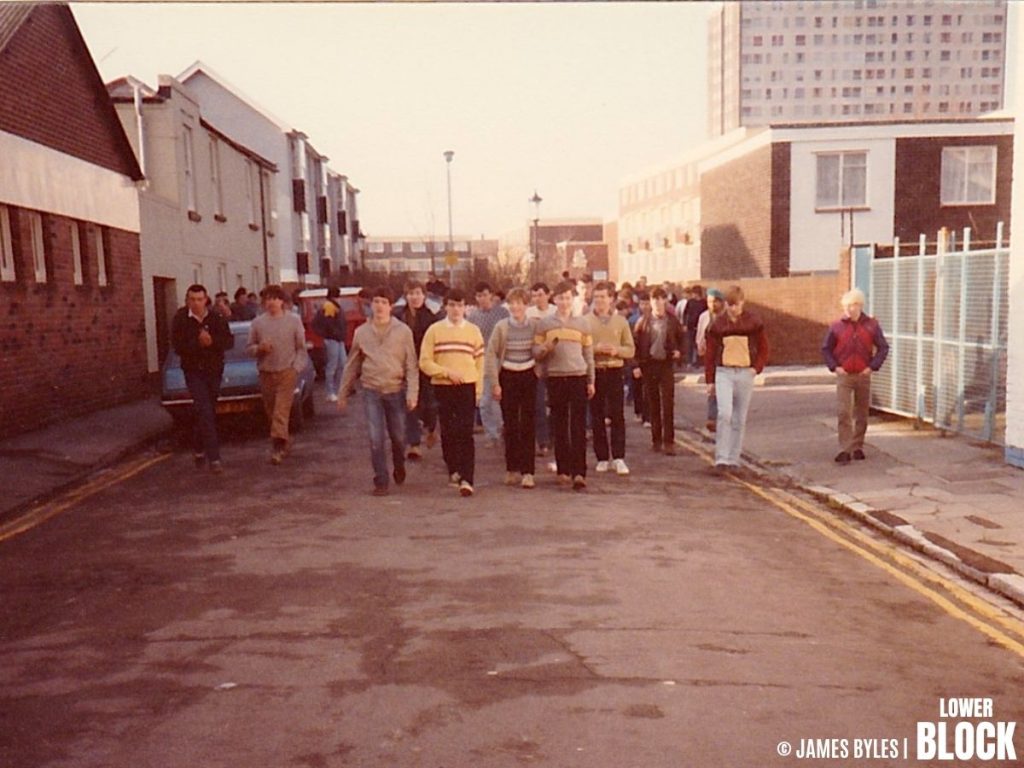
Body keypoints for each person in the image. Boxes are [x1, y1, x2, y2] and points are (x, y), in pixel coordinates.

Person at [337, 287, 419, 496]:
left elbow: (411, 365)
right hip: (372, 390)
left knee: (398, 436)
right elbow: (352, 364)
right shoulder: (362, 332)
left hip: (396, 389)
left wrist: (412, 393)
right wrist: (343, 393)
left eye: (384, 302)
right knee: (375, 438)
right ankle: (380, 480)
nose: (379, 306)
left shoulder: (403, 332)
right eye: (376, 302)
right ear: (370, 305)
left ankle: (399, 464)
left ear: (391, 306)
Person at [420, 289, 485, 497]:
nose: (456, 309)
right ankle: (453, 468)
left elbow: (480, 363)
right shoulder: (434, 330)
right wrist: (445, 372)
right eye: (452, 305)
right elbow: (425, 362)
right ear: (445, 306)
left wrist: (478, 390)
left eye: (460, 305)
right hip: (443, 386)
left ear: (465, 307)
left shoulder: (473, 331)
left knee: (465, 432)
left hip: (467, 386)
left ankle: (468, 479)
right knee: (448, 431)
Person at [534, 280, 595, 491]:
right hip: (556, 377)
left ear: (572, 299)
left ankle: (579, 472)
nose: (564, 302)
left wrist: (591, 380)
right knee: (559, 425)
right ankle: (563, 470)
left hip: (578, 376)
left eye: (568, 298)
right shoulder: (544, 324)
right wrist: (545, 348)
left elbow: (588, 354)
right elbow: (536, 353)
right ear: (555, 299)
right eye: (560, 298)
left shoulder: (583, 323)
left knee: (578, 426)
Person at [822, 288, 889, 465]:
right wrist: (835, 367)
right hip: (844, 374)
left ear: (859, 305)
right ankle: (845, 448)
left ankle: (857, 445)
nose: (848, 309)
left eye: (852, 305)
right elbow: (826, 348)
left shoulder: (871, 325)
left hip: (863, 374)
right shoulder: (836, 326)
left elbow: (883, 347)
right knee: (843, 411)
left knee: (862, 412)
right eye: (846, 306)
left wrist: (872, 367)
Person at [171, 284, 234, 474]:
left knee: (207, 411)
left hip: (213, 371)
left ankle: (199, 447)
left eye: (199, 299)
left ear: (206, 300)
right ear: (187, 300)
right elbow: (177, 346)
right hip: (193, 371)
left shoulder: (216, 318)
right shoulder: (181, 319)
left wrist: (212, 341)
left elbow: (229, 342)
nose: (196, 303)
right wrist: (197, 343)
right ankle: (214, 459)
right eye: (192, 299)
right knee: (205, 409)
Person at [705, 286, 769, 471]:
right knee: (724, 413)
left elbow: (764, 347)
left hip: (744, 373)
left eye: (736, 304)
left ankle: (733, 459)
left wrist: (756, 369)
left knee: (739, 418)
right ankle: (721, 458)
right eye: (730, 304)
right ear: (726, 304)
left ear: (742, 303)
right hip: (724, 372)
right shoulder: (717, 325)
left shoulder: (754, 322)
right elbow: (710, 354)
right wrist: (710, 380)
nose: (733, 308)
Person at [246, 284, 309, 465]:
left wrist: (295, 368)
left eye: (275, 299)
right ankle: (283, 441)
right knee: (272, 411)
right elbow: (249, 348)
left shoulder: (294, 320)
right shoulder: (258, 323)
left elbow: (301, 348)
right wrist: (259, 349)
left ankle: (277, 447)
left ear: (282, 301)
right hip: (266, 372)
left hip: (286, 371)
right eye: (268, 299)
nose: (271, 302)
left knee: (281, 410)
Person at [485, 288, 538, 489]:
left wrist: (539, 368)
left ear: (526, 305)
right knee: (511, 424)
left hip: (528, 375)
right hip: (507, 375)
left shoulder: (534, 325)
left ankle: (528, 472)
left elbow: (540, 350)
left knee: (528, 423)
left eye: (520, 303)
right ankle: (512, 468)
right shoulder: (501, 326)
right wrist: (495, 383)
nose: (516, 307)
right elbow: (491, 354)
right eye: (512, 303)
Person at [588, 281, 635, 476]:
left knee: (617, 415)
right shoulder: (586, 321)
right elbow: (580, 347)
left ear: (611, 299)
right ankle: (601, 458)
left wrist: (616, 350)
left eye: (603, 297)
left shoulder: (621, 322)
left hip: (615, 370)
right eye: (596, 297)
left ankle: (618, 457)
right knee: (597, 415)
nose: (599, 301)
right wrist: (595, 349)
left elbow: (630, 349)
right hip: (595, 371)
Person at [393, 280, 441, 459]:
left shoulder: (432, 315)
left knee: (430, 403)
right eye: (411, 293)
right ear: (406, 296)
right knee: (410, 402)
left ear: (424, 296)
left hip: (427, 363)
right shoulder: (399, 315)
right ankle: (414, 444)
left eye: (418, 293)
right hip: (407, 365)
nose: (414, 297)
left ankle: (431, 428)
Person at [634, 287, 684, 455]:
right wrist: (636, 365)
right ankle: (656, 440)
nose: (657, 303)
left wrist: (679, 352)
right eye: (654, 300)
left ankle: (669, 441)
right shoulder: (643, 321)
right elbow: (635, 343)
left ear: (665, 301)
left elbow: (683, 339)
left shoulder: (672, 321)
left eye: (660, 299)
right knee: (653, 403)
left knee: (668, 404)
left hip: (666, 364)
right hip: (649, 365)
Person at [467, 282, 509, 447]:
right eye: (478, 296)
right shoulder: (473, 316)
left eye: (485, 295)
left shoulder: (502, 313)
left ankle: (504, 428)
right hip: (482, 360)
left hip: (501, 358)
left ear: (491, 295)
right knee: (484, 402)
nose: (482, 299)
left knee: (499, 398)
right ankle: (492, 434)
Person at [527, 282, 556, 456]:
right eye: (534, 295)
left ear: (548, 294)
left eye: (540, 294)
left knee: (554, 403)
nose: (537, 298)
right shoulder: (529, 313)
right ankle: (542, 440)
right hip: (536, 362)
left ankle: (554, 436)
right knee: (537, 404)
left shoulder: (554, 311)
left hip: (554, 362)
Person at [695, 288, 726, 432]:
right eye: (709, 302)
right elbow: (700, 333)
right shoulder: (704, 317)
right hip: (710, 355)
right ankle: (712, 418)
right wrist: (700, 345)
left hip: (725, 356)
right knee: (711, 386)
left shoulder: (727, 317)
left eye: (714, 302)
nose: (711, 305)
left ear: (721, 302)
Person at [312, 286, 348, 403]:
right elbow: (329, 323)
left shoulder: (331, 305)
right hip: (333, 339)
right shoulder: (329, 306)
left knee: (342, 364)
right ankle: (330, 392)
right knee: (333, 365)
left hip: (337, 339)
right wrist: (335, 333)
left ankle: (337, 391)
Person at [683, 285, 708, 368]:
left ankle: (698, 361)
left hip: (700, 326)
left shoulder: (704, 302)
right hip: (690, 326)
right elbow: (685, 313)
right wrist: (685, 324)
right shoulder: (690, 302)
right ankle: (689, 361)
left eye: (693, 293)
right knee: (690, 344)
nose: (692, 295)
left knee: (698, 344)